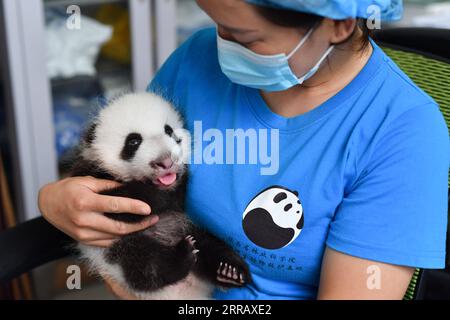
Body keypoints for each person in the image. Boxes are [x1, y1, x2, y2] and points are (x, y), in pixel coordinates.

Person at [38, 0, 449, 299]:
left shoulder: (402, 132)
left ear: (337, 24)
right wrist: (57, 201)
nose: (222, 46)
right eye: (218, 24)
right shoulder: (195, 60)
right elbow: (117, 166)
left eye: (245, 36)